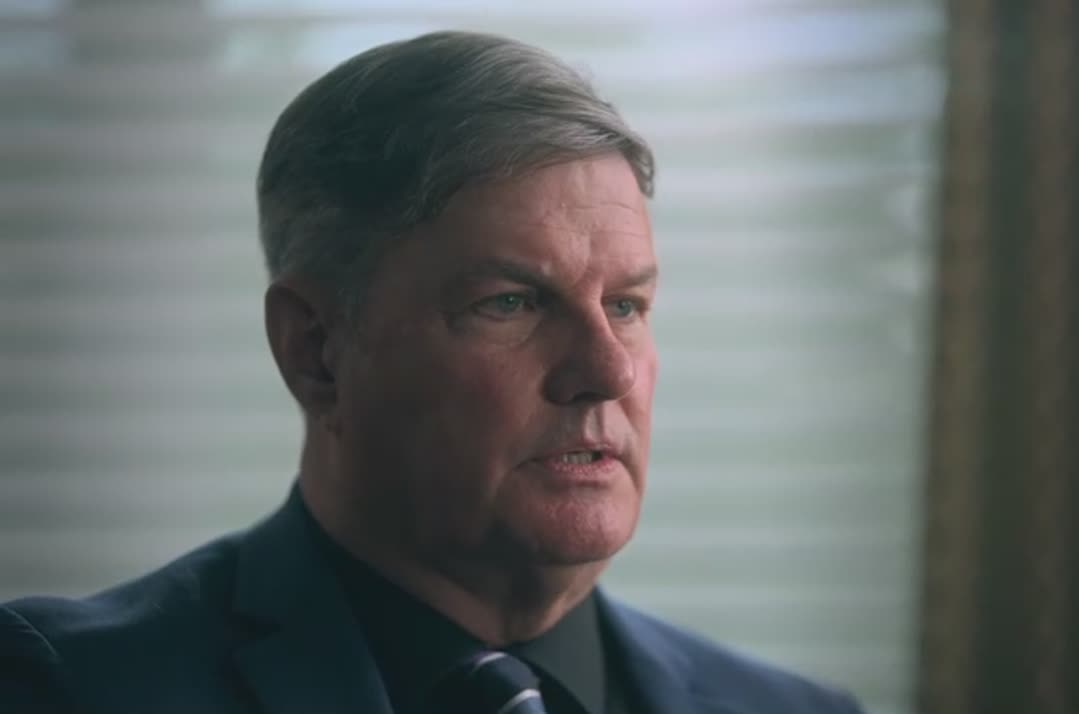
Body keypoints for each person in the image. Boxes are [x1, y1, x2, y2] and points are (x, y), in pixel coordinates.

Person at [0, 31, 865, 714]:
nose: (606, 371)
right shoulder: (68, 686)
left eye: (627, 306)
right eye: (511, 303)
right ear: (316, 351)